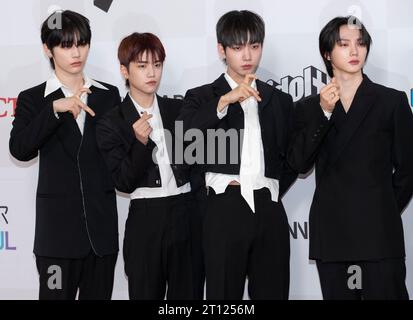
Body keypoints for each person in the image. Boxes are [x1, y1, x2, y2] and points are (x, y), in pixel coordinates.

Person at [287, 16, 413, 300]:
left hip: (379, 235)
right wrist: (324, 112)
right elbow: (299, 164)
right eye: (344, 44)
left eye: (360, 44)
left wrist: (382, 208)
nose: (354, 51)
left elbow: (408, 169)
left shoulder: (391, 102)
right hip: (333, 235)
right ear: (327, 54)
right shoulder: (308, 108)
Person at [178, 10, 297, 300]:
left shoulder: (279, 99)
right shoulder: (201, 96)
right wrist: (223, 102)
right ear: (221, 49)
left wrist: (271, 187)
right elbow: (184, 142)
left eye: (254, 46)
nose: (247, 55)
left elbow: (291, 160)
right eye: (238, 47)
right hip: (223, 207)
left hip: (268, 208)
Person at [9, 10, 120, 300]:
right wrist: (54, 111)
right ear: (48, 49)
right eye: (66, 45)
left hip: (101, 237)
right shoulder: (33, 99)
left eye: (82, 43)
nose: (76, 52)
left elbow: (118, 157)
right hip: (56, 240)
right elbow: (19, 149)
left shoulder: (108, 96)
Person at [96, 32, 195, 300]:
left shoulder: (180, 110)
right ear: (124, 71)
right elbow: (123, 182)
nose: (152, 73)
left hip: (185, 213)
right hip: (145, 218)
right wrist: (140, 145)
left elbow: (197, 164)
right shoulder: (112, 122)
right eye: (142, 66)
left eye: (157, 64)